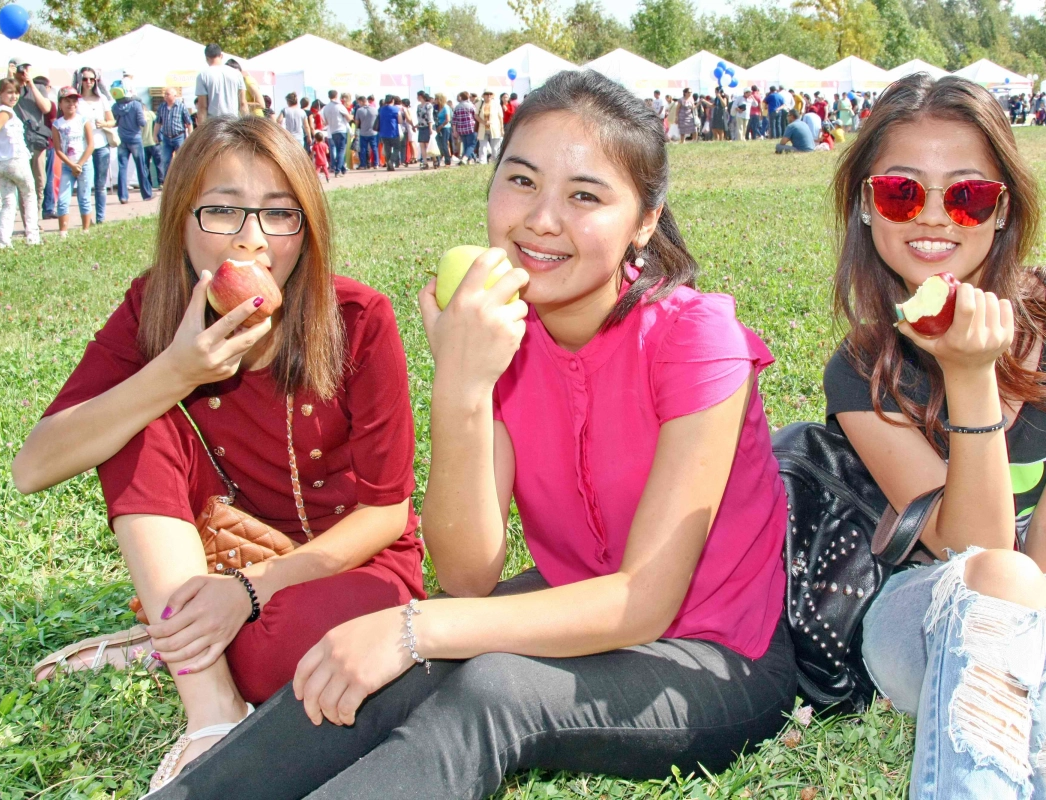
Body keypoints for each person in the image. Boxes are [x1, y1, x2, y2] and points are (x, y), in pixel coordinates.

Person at [148, 67, 798, 800]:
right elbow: (467, 577)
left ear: (645, 221)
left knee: (489, 684)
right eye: (520, 181)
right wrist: (462, 384)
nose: (541, 220)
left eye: (585, 196)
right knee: (403, 654)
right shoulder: (498, 334)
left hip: (714, 655)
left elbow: (640, 602)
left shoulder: (696, 338)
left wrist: (412, 628)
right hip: (570, 602)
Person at [15, 115, 425, 791]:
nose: (251, 238)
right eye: (222, 210)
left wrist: (248, 592)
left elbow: (386, 514)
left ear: (309, 225)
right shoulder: (155, 307)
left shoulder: (359, 320)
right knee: (135, 415)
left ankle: (172, 634)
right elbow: (33, 467)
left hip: (347, 563)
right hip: (231, 554)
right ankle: (209, 706)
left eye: (279, 213)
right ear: (180, 217)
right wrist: (175, 371)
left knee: (300, 654)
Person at [825, 73, 1046, 799]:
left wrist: (1044, 674)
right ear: (866, 208)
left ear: (1002, 210)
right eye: (902, 193)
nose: (935, 218)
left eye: (967, 194)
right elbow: (976, 555)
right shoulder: (861, 372)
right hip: (927, 613)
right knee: (997, 598)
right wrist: (970, 377)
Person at [0, 78, 43, 246]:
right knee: (29, 195)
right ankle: (33, 237)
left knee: (8, 203)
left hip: (1, 164)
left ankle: (4, 241)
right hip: (15, 160)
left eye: (16, 92)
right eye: (9, 92)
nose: (14, 96)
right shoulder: (6, 112)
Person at [11, 64, 55, 223]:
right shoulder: (11, 88)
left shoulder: (38, 87)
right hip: (18, 141)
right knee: (24, 183)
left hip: (37, 140)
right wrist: (11, 78)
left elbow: (46, 108)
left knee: (39, 182)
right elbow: (4, 103)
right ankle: (29, 222)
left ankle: (35, 217)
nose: (23, 73)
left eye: (26, 69)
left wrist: (30, 83)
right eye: (20, 70)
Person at [49, 86, 95, 236]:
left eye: (74, 101)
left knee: (84, 197)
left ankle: (85, 229)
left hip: (84, 164)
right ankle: (63, 232)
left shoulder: (83, 121)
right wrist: (71, 165)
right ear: (60, 104)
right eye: (67, 101)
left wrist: (80, 164)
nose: (71, 104)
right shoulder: (57, 124)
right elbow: (58, 149)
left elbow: (90, 145)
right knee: (62, 199)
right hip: (67, 166)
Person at [76, 67, 116, 224]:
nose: (88, 82)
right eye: (85, 79)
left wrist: (104, 123)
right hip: (82, 146)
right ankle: (86, 218)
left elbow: (112, 121)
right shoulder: (76, 100)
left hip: (100, 144)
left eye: (92, 79)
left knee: (100, 184)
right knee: (84, 185)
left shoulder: (102, 99)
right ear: (80, 80)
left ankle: (100, 218)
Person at [111, 87, 153, 203]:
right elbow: (142, 123)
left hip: (122, 139)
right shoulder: (136, 105)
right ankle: (146, 194)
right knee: (141, 167)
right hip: (135, 139)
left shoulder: (115, 107)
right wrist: (144, 116)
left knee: (122, 168)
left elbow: (114, 123)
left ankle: (123, 197)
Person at [195, 45, 247, 125]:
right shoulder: (237, 74)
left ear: (206, 58)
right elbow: (243, 103)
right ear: (221, 55)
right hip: (234, 123)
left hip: (213, 125)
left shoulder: (202, 76)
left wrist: (201, 130)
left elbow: (202, 107)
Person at [155, 88, 192, 176]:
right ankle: (167, 182)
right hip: (166, 137)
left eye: (168, 94)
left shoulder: (181, 106)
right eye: (165, 94)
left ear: (174, 96)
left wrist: (190, 136)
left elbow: (189, 123)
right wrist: (155, 135)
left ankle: (182, 179)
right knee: (166, 160)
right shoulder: (162, 107)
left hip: (179, 137)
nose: (166, 96)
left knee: (181, 160)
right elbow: (158, 122)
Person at [321, 90, 351, 177]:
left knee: (338, 150)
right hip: (341, 129)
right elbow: (348, 118)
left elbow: (325, 122)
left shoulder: (325, 108)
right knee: (341, 151)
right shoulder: (339, 106)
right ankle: (338, 170)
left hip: (333, 131)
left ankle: (342, 169)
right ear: (336, 95)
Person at [377, 96, 402, 171]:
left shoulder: (381, 109)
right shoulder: (396, 109)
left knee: (387, 149)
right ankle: (391, 161)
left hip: (383, 132)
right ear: (393, 100)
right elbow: (400, 121)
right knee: (397, 148)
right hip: (393, 132)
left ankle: (389, 165)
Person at [453, 91, 478, 165]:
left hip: (461, 129)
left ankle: (469, 161)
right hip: (471, 128)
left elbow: (454, 120)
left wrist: (454, 130)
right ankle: (465, 158)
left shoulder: (457, 107)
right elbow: (476, 116)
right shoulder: (471, 106)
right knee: (471, 145)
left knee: (466, 145)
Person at [353, 96, 377, 170]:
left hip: (363, 132)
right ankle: (376, 164)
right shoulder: (374, 109)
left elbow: (357, 122)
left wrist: (356, 129)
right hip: (373, 132)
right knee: (374, 148)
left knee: (363, 149)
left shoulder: (359, 110)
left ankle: (363, 165)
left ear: (361, 102)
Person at [415, 91, 434, 169]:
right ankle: (425, 162)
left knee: (428, 145)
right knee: (422, 145)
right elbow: (419, 118)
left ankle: (434, 159)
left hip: (427, 126)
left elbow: (430, 117)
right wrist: (417, 125)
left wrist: (430, 128)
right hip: (421, 127)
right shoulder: (419, 106)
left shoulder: (428, 105)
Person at [434, 93, 452, 167]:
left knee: (444, 144)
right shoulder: (436, 107)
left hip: (445, 127)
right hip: (437, 126)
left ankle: (447, 161)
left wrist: (441, 126)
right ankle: (438, 161)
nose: (435, 100)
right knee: (438, 144)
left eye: (436, 99)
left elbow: (448, 119)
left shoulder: (446, 107)